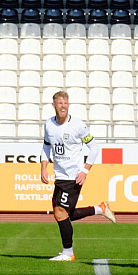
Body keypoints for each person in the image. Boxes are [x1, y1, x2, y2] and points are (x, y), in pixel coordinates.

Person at [40, 91, 116, 261]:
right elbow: (46, 146)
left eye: (65, 103)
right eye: (60, 103)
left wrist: (85, 170)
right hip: (59, 175)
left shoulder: (78, 125)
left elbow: (94, 148)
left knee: (60, 212)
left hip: (73, 176)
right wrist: (43, 167)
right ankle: (100, 209)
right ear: (53, 105)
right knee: (65, 213)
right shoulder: (49, 125)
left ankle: (68, 252)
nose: (63, 106)